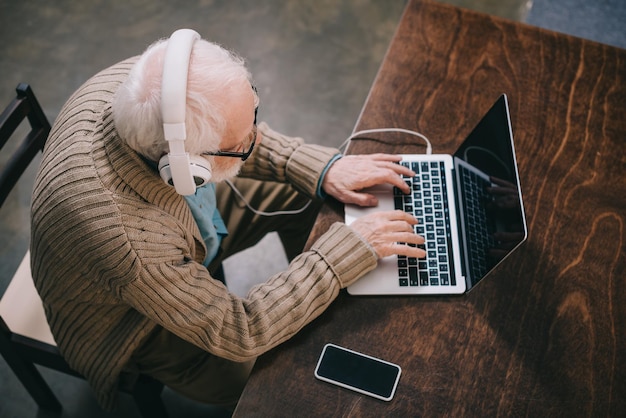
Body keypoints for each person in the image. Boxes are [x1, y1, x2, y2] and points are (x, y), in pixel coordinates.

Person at [30, 29, 425, 412]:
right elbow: (241, 331)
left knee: (305, 193)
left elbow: (238, 133)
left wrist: (323, 168)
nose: (255, 137)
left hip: (172, 228)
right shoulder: (128, 239)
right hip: (128, 322)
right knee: (250, 371)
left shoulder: (154, 82)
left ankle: (311, 301)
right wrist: (330, 262)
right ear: (187, 168)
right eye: (240, 146)